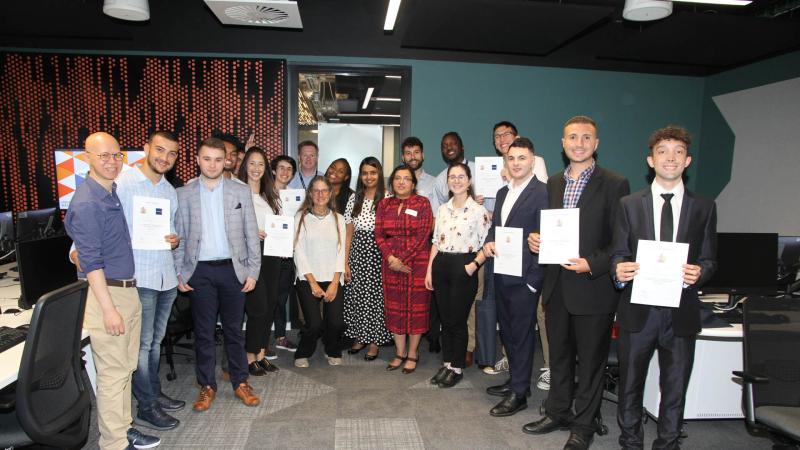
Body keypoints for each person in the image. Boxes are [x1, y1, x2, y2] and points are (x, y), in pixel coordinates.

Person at [524, 116, 630, 450]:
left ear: (596, 144)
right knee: (558, 357)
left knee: (591, 361)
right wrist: (537, 241)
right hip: (556, 286)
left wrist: (593, 264)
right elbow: (555, 229)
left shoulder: (615, 183)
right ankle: (557, 411)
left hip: (593, 287)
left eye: (586, 137)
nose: (579, 142)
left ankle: (584, 424)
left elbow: (621, 240)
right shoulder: (554, 182)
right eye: (572, 137)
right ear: (563, 142)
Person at [70, 131, 187, 432]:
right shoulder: (121, 182)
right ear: (145, 148)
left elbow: (170, 230)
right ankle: (147, 406)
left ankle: (153, 393)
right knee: (141, 348)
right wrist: (75, 253)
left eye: (172, 153)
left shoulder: (169, 190)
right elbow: (89, 236)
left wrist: (174, 240)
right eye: (159, 150)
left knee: (154, 344)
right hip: (136, 280)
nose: (164, 157)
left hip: (165, 277)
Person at [611, 126, 717, 450]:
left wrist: (699, 273)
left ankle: (668, 443)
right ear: (650, 159)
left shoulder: (704, 207)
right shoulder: (629, 204)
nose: (670, 158)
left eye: (678, 152)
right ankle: (630, 442)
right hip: (638, 312)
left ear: (687, 161)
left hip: (681, 314)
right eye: (663, 152)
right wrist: (619, 271)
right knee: (630, 385)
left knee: (675, 389)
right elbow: (618, 255)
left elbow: (710, 260)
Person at [173, 137, 262, 411]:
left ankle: (240, 382)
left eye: (218, 159)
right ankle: (207, 385)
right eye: (207, 158)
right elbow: (180, 237)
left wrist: (253, 271)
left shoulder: (240, 191)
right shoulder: (183, 194)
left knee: (234, 330)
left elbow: (251, 233)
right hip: (199, 272)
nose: (212, 164)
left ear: (227, 161)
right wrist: (179, 272)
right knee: (204, 332)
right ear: (198, 160)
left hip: (233, 271)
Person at [482, 137, 548, 418]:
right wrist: (488, 242)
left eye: (522, 158)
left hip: (525, 279)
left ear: (532, 160)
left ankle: (520, 393)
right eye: (512, 158)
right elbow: (497, 228)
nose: (516, 163)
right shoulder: (502, 192)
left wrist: (535, 280)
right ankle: (515, 381)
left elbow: (547, 241)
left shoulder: (544, 193)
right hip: (502, 273)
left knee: (521, 334)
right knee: (507, 331)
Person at [425, 162, 490, 387]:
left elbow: (488, 244)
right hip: (441, 263)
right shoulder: (442, 209)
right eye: (452, 177)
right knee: (445, 319)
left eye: (461, 177)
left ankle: (457, 367)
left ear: (469, 181)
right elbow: (435, 242)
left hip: (464, 265)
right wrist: (429, 270)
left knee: (458, 320)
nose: (456, 180)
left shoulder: (479, 211)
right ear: (448, 182)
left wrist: (473, 266)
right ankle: (447, 363)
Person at [375, 165, 433, 374]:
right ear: (392, 182)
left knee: (416, 309)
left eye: (406, 178)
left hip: (416, 263)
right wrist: (392, 258)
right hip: (390, 262)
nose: (401, 182)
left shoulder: (423, 203)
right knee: (396, 308)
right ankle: (399, 352)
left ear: (413, 183)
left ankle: (413, 352)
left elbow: (424, 234)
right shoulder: (384, 204)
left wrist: (403, 259)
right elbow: (379, 234)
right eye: (397, 178)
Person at [293, 176, 347, 367]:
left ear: (330, 193)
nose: (320, 194)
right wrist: (312, 282)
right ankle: (302, 352)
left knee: (336, 323)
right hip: (307, 278)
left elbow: (341, 252)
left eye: (324, 190)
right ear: (310, 193)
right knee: (314, 324)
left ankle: (331, 349)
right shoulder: (300, 218)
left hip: (332, 277)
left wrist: (334, 282)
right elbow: (298, 251)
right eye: (316, 190)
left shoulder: (339, 219)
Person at [237, 147, 282, 375]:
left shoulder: (269, 195)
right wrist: (250, 232)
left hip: (272, 254)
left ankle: (261, 354)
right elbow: (231, 228)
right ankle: (249, 356)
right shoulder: (237, 193)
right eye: (252, 163)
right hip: (250, 255)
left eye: (261, 164)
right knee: (257, 307)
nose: (256, 169)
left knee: (270, 306)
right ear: (245, 165)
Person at [344, 157, 393, 359]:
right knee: (357, 297)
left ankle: (374, 342)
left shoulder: (388, 198)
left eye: (373, 172)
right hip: (357, 254)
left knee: (376, 299)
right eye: (365, 173)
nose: (369, 176)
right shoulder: (354, 198)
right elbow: (349, 232)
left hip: (378, 255)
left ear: (379, 174)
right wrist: (345, 261)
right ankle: (360, 337)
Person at [269, 154, 299, 352]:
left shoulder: (295, 198)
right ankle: (261, 342)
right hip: (268, 255)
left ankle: (280, 336)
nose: (284, 172)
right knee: (266, 300)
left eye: (289, 169)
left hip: (287, 255)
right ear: (273, 170)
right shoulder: (263, 194)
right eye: (281, 168)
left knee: (281, 299)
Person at [401, 136, 438, 212]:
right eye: (408, 153)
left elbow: (436, 215)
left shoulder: (434, 183)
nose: (413, 157)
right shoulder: (398, 184)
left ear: (422, 155)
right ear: (403, 158)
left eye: (416, 152)